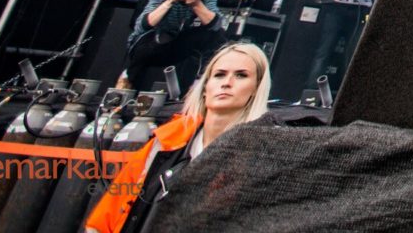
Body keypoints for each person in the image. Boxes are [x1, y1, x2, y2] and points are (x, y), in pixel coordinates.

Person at [86, 41, 273, 233]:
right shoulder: (168, 139)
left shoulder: (262, 155)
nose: (227, 82)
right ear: (205, 86)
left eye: (241, 75)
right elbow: (109, 211)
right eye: (219, 74)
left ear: (256, 88)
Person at [123, 0, 223, 91]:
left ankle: (201, 85)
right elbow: (141, 27)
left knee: (214, 36)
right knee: (150, 41)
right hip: (152, 43)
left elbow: (216, 26)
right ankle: (127, 84)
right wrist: (170, 1)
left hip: (178, 43)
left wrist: (196, 4)